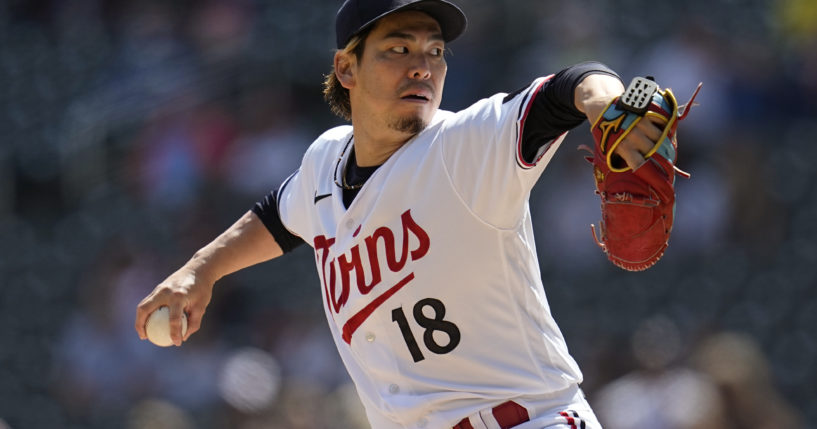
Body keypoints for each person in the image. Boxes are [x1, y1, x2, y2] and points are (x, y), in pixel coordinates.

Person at [135, 1, 673, 427]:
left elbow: (572, 83)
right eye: (398, 48)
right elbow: (278, 217)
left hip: (527, 420)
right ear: (346, 66)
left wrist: (605, 100)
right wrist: (200, 271)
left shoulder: (464, 143)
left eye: (435, 51)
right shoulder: (325, 161)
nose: (423, 65)